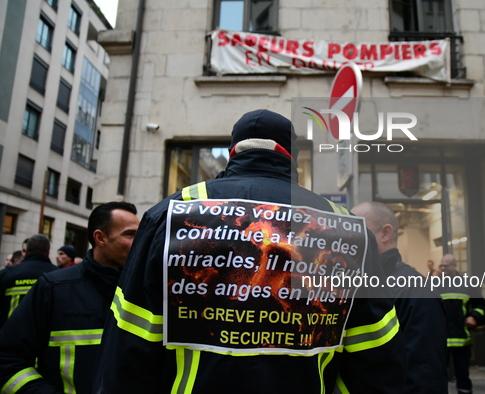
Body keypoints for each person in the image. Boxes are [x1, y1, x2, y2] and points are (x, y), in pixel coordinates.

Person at [94, 109, 406, 393]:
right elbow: (376, 357)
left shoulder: (171, 214)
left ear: (233, 153)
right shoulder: (346, 228)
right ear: (292, 158)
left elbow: (129, 344)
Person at [0, 202, 139, 393]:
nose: (139, 242)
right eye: (130, 235)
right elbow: (7, 360)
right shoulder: (53, 288)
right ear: (100, 238)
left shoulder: (145, 290)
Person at [351, 201, 447, 394]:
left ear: (385, 234)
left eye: (356, 231)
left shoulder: (416, 290)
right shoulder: (366, 283)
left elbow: (424, 375)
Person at [439, 254, 485, 394]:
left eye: (446, 266)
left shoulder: (467, 284)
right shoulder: (434, 284)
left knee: (463, 373)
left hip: (462, 337)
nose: (443, 269)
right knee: (438, 374)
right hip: (441, 339)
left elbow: (481, 305)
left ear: (454, 266)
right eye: (441, 266)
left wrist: (474, 317)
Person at [0, 235, 58, 329]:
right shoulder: (58, 275)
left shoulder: (7, 274)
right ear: (48, 253)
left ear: (26, 252)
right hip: (43, 337)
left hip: (11, 335)